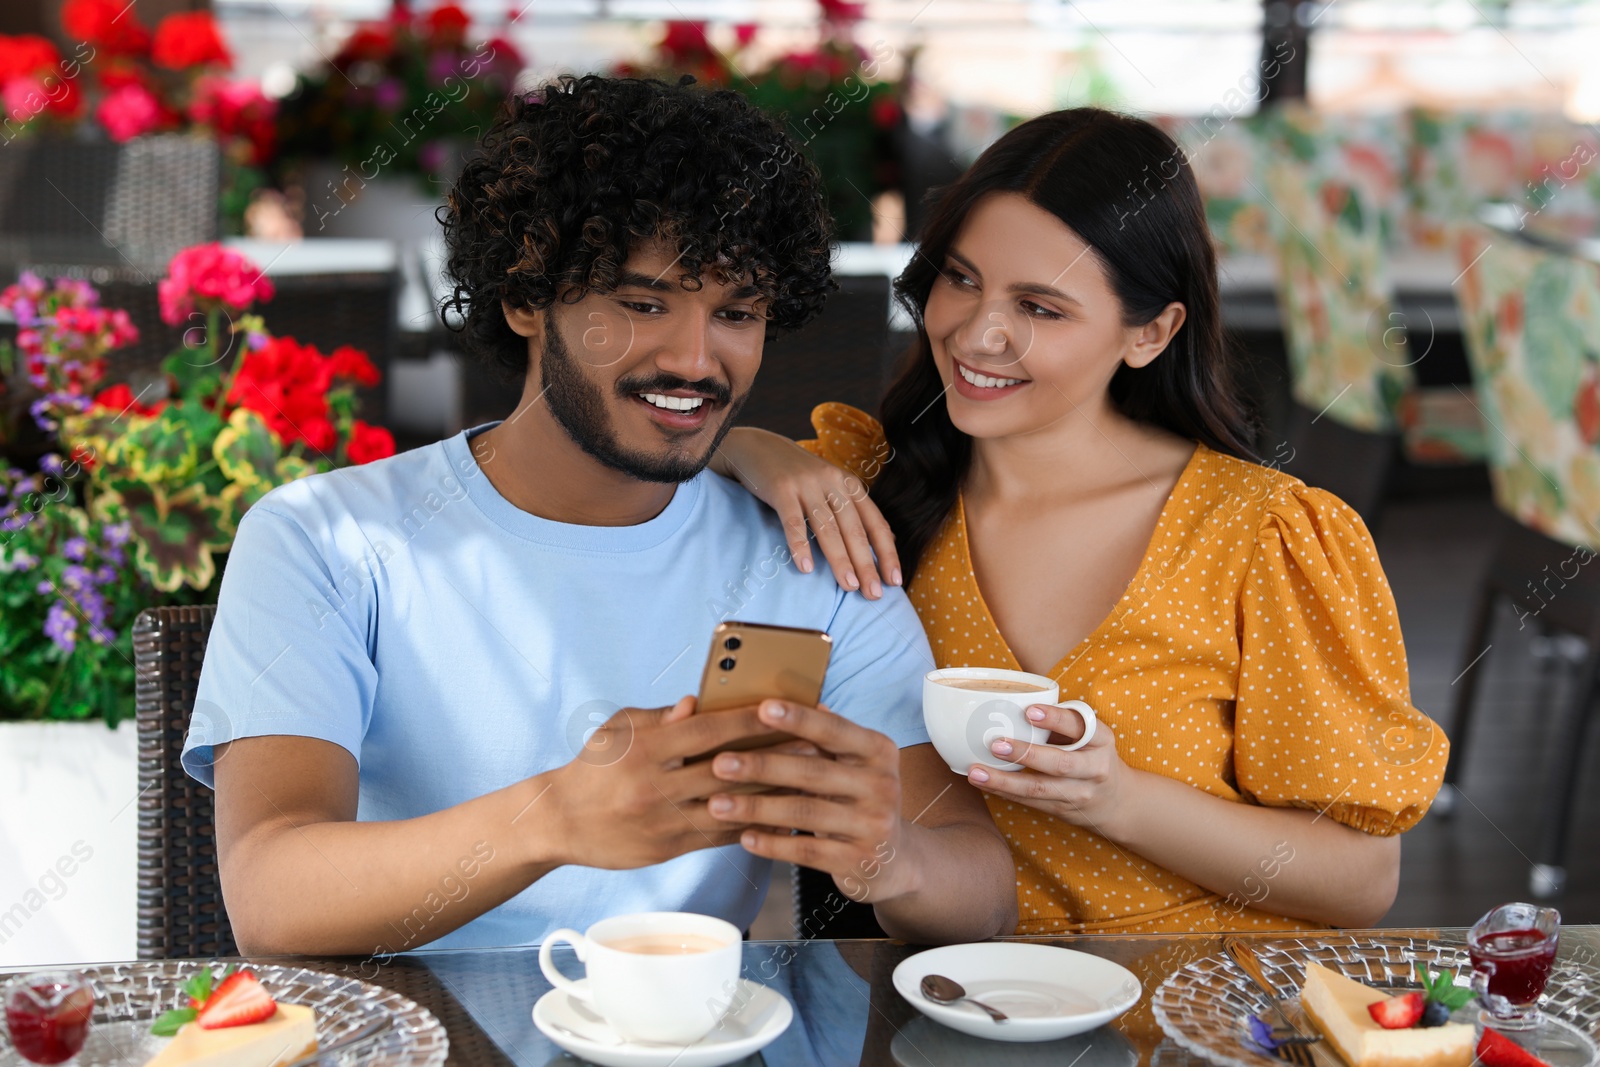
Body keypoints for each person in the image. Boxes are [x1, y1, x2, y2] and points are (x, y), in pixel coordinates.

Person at [185, 74, 1016, 955]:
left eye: (736, 312)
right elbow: (271, 897)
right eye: (643, 303)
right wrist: (552, 818)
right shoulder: (326, 539)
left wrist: (897, 859)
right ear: (524, 300)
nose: (696, 358)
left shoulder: (816, 555)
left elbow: (985, 896)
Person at [712, 107, 1449, 934]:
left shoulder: (1263, 536)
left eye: (1042, 307)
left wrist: (1120, 797)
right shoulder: (860, 485)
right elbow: (650, 505)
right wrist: (743, 446)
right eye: (961, 278)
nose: (979, 333)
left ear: (1151, 331)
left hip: (1192, 1017)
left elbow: (1359, 878)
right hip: (947, 1011)